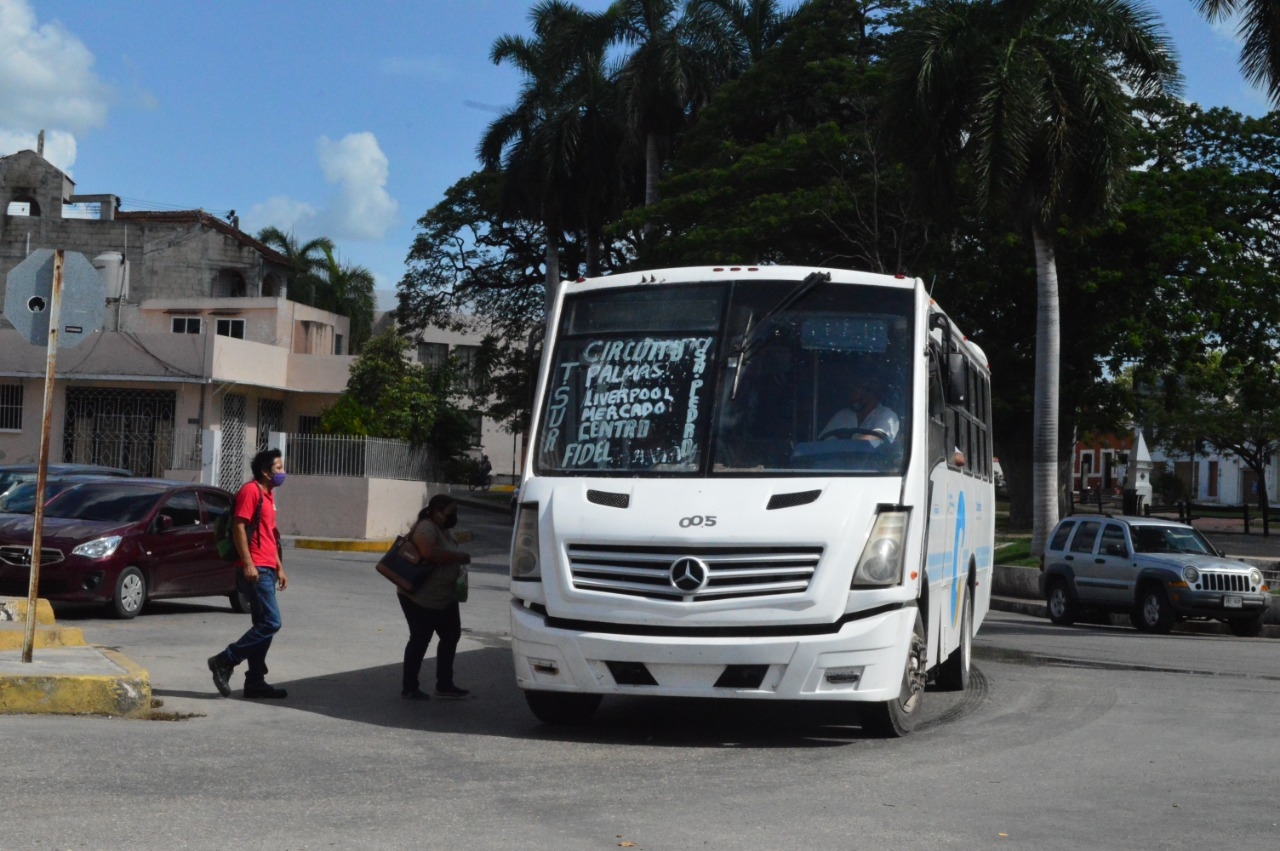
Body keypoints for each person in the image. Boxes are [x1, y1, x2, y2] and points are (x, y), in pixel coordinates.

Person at [208, 448, 290, 699]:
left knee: (262, 625)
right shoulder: (251, 491)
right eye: (278, 468)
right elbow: (239, 527)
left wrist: (279, 566)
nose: (282, 472)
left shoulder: (269, 494)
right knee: (271, 622)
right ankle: (225, 660)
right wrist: (248, 563)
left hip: (267, 566)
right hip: (254, 569)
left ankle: (255, 681)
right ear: (265, 472)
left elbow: (270, 534)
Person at [396, 494, 472, 700]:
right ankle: (409, 687)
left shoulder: (443, 529)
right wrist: (459, 557)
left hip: (444, 598)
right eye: (450, 513)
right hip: (420, 598)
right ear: (437, 512)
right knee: (420, 640)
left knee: (450, 636)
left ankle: (445, 684)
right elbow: (428, 553)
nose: (454, 516)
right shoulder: (426, 528)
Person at [818, 373, 900, 443]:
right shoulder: (843, 415)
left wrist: (847, 447)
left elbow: (877, 440)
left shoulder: (887, 415)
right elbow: (823, 442)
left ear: (869, 392)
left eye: (855, 390)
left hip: (872, 461)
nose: (851, 396)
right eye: (850, 391)